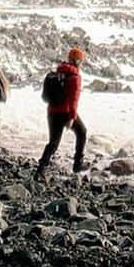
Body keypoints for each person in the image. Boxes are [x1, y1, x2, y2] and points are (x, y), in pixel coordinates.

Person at [35, 47, 87, 180]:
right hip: (66, 112)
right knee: (82, 132)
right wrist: (72, 117)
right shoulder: (74, 76)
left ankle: (40, 170)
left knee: (53, 143)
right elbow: (73, 99)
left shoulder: (59, 71)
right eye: (81, 60)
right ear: (77, 61)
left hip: (52, 112)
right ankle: (77, 165)